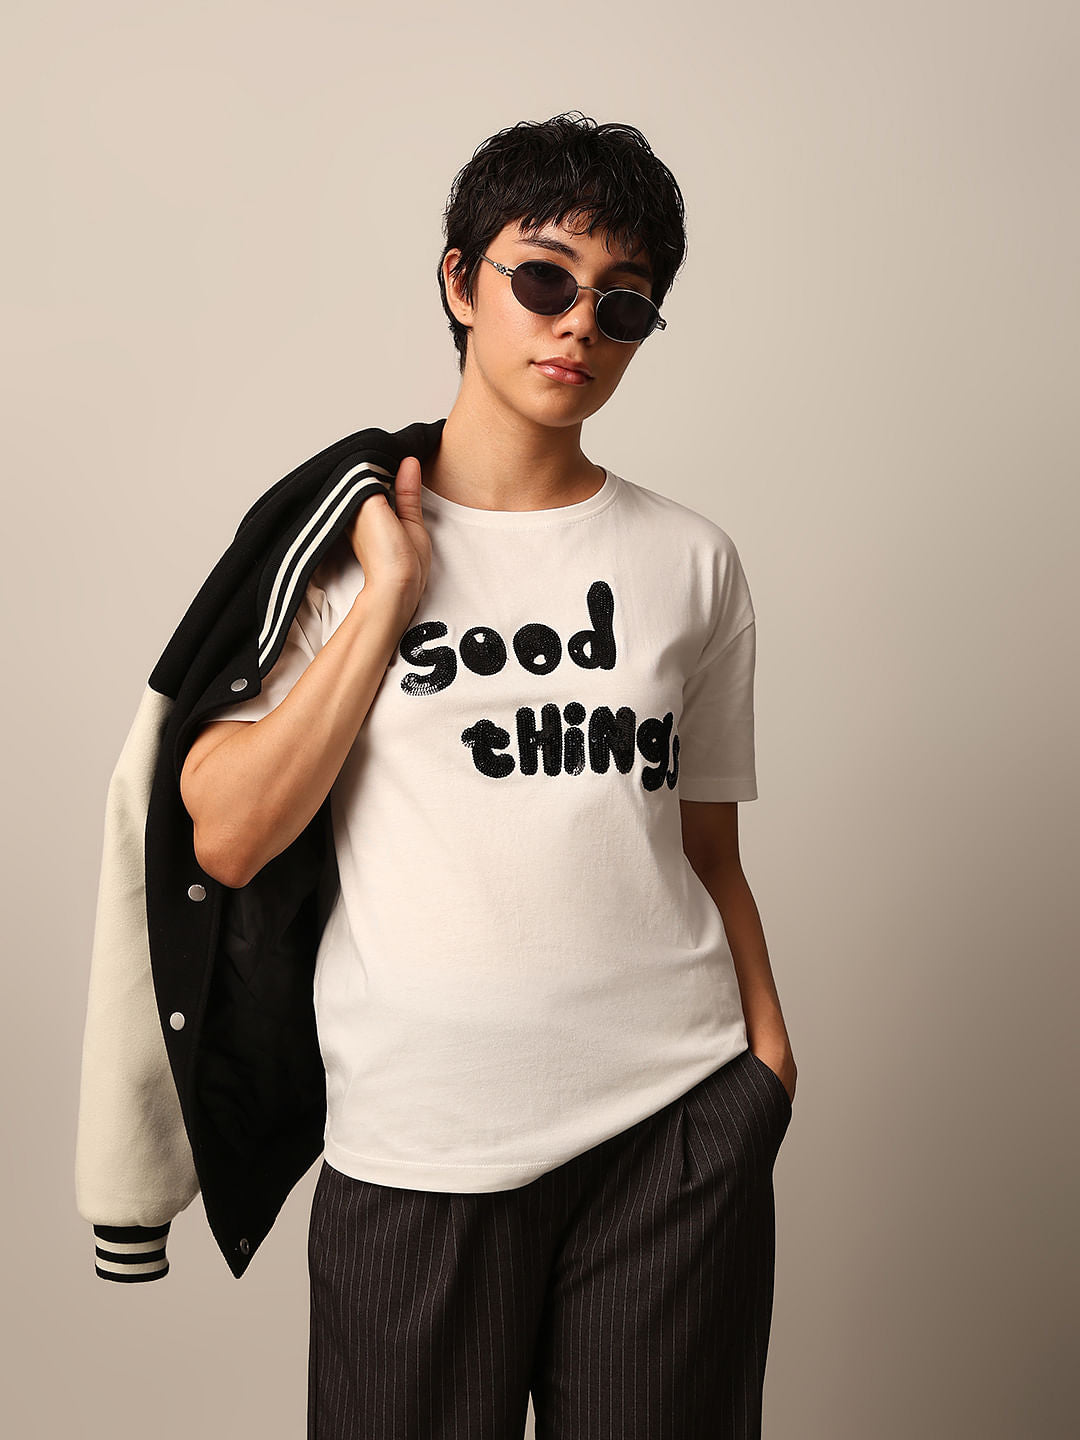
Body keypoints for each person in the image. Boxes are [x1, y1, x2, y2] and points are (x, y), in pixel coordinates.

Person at [179, 110, 797, 1440]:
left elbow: (707, 851)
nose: (578, 326)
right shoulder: (338, 543)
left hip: (673, 1131)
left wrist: (765, 1060)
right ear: (461, 281)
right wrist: (387, 599)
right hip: (422, 1142)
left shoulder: (691, 561)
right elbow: (225, 835)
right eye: (545, 279)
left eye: (622, 304)